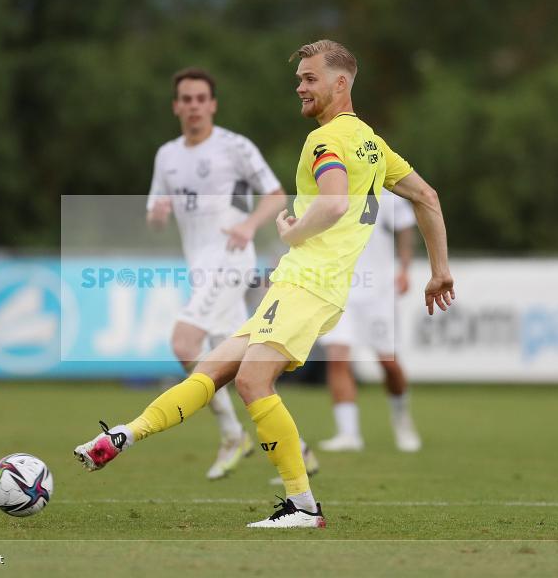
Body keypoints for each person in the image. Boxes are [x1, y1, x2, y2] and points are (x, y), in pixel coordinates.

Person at [75, 40, 455, 529]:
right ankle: (123, 436)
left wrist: (294, 230)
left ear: (341, 83)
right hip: (310, 285)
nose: (299, 86)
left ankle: (302, 505)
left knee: (253, 381)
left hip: (307, 281)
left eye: (309, 78)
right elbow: (427, 196)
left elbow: (335, 202)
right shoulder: (371, 141)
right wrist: (439, 268)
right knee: (211, 371)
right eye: (299, 78)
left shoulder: (326, 140)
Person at [147, 67, 289, 480]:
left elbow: (276, 195)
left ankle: (232, 435)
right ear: (176, 106)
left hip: (230, 258)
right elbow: (156, 215)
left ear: (212, 104)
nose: (193, 106)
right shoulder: (167, 155)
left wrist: (248, 226)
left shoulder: (235, 147)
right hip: (199, 267)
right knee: (239, 366)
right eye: (185, 100)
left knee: (184, 341)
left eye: (200, 99)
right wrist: (157, 214)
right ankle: (295, 449)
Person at [318, 189, 422, 453]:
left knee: (388, 363)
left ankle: (401, 417)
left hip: (379, 291)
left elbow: (406, 226)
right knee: (337, 357)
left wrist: (405, 269)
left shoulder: (383, 188)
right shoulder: (326, 183)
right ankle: (348, 433)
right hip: (338, 288)